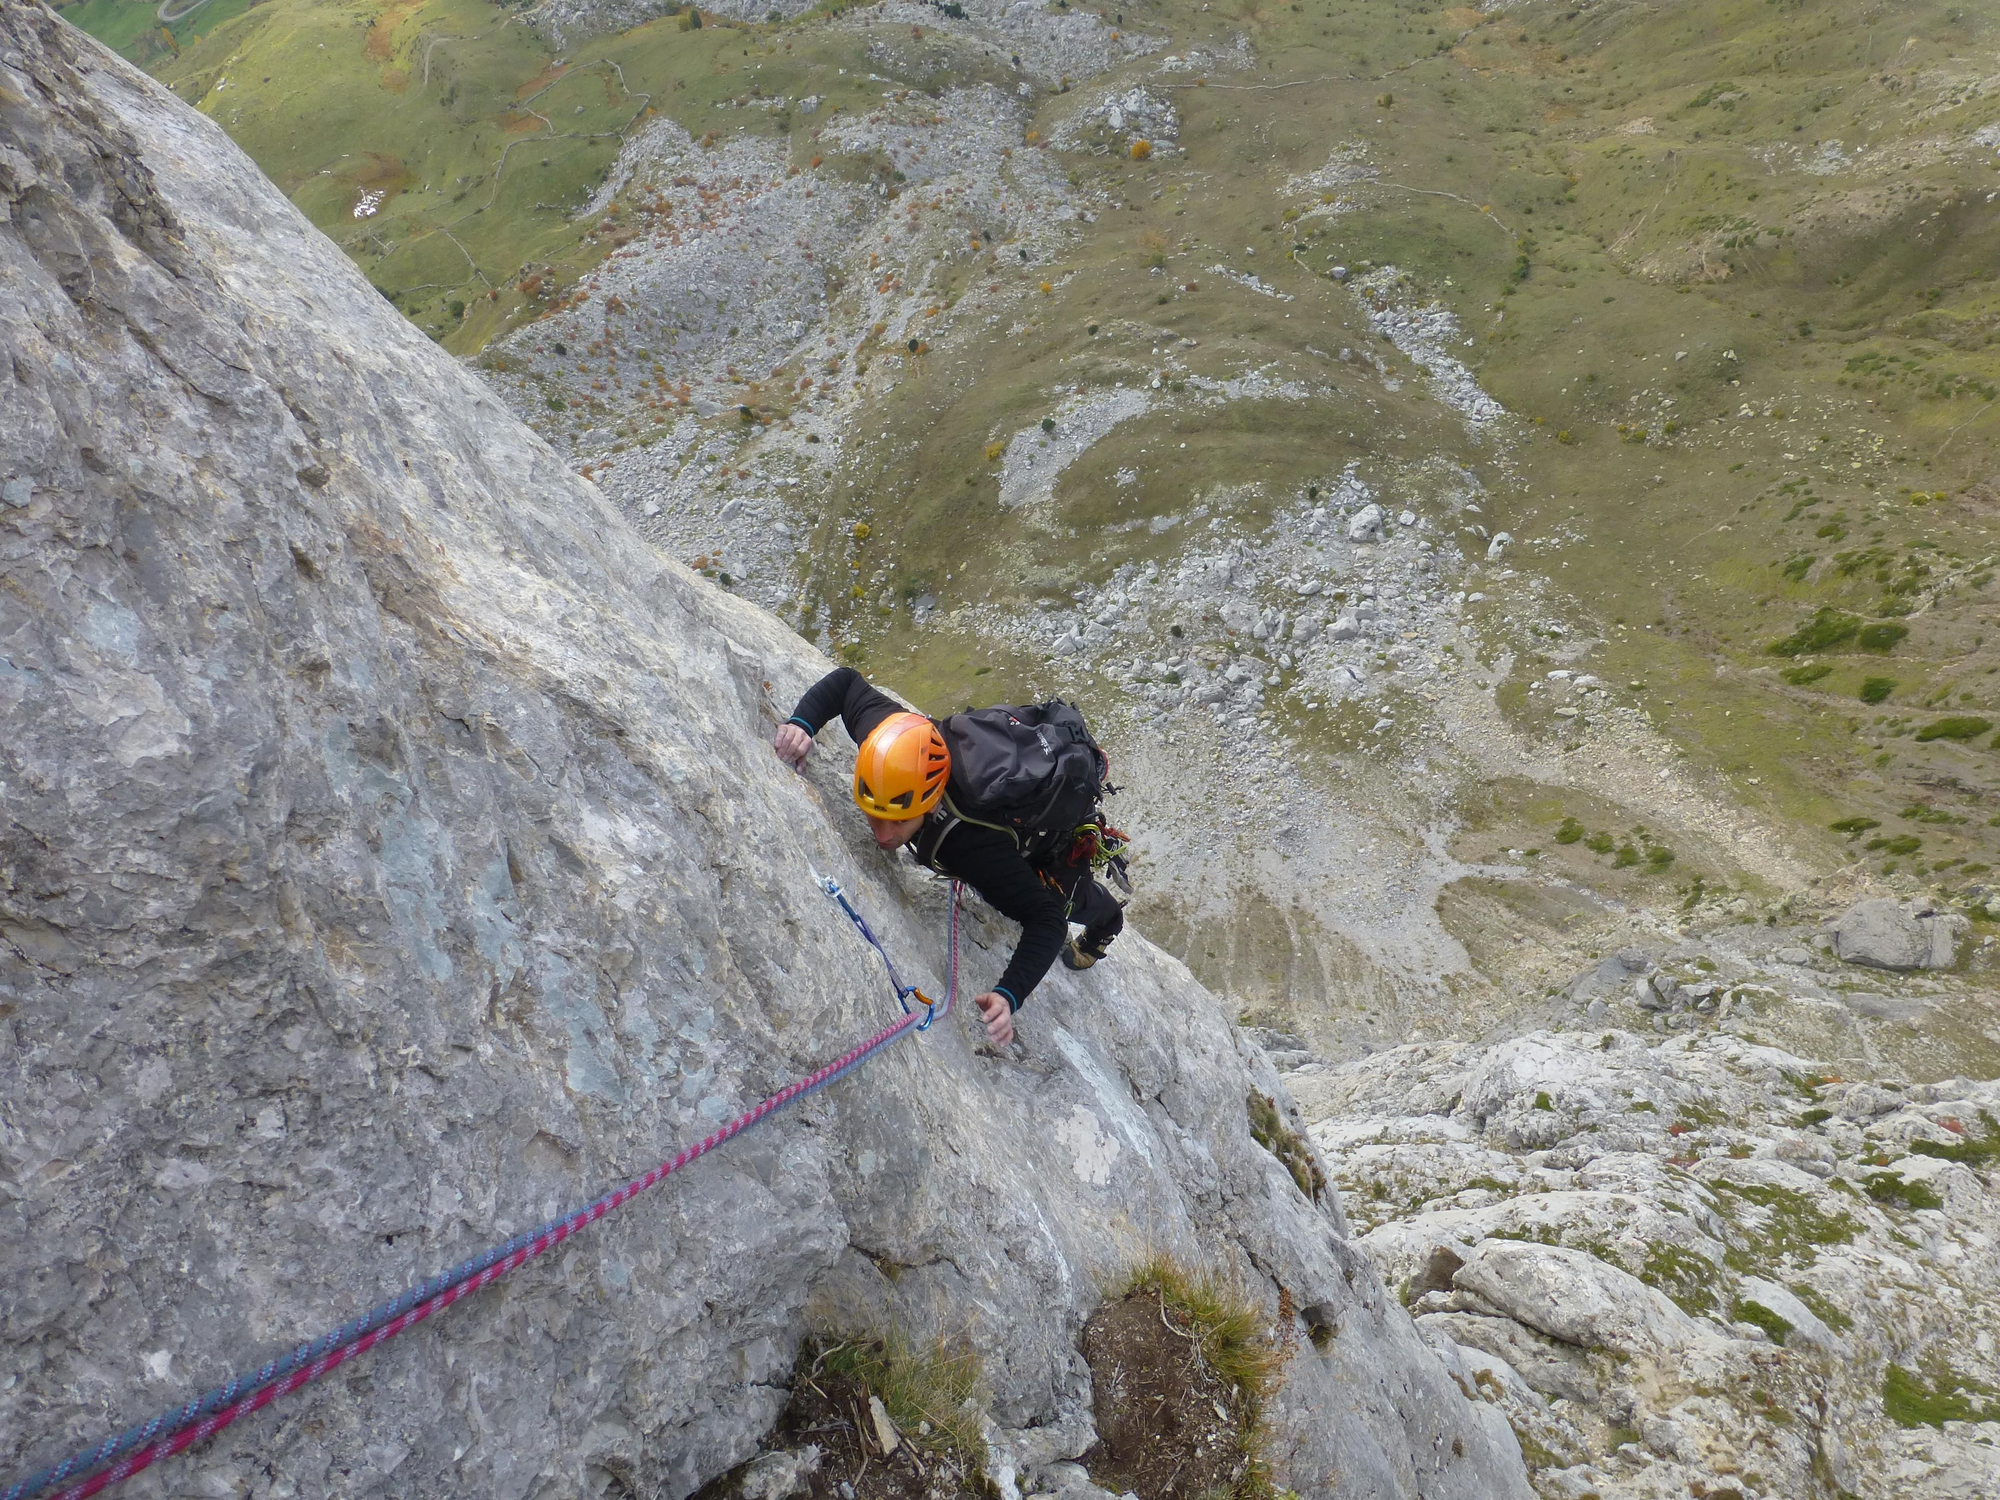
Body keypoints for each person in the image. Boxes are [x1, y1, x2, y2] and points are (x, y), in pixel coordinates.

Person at [773, 668, 1124, 1047]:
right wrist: (802, 724)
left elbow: (1047, 920)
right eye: (874, 814)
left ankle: (1104, 929)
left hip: (1047, 839)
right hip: (1003, 780)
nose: (882, 834)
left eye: (898, 819)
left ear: (929, 803)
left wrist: (1009, 994)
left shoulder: (970, 847)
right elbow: (846, 684)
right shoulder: (890, 746)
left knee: (1073, 900)